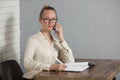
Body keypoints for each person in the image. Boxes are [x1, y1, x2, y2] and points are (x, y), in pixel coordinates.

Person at [23, 5, 74, 79]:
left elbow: (70, 61)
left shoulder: (56, 42)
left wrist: (61, 38)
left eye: (53, 19)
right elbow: (27, 63)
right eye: (47, 19)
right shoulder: (32, 40)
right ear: (40, 20)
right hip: (35, 78)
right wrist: (51, 67)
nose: (50, 22)